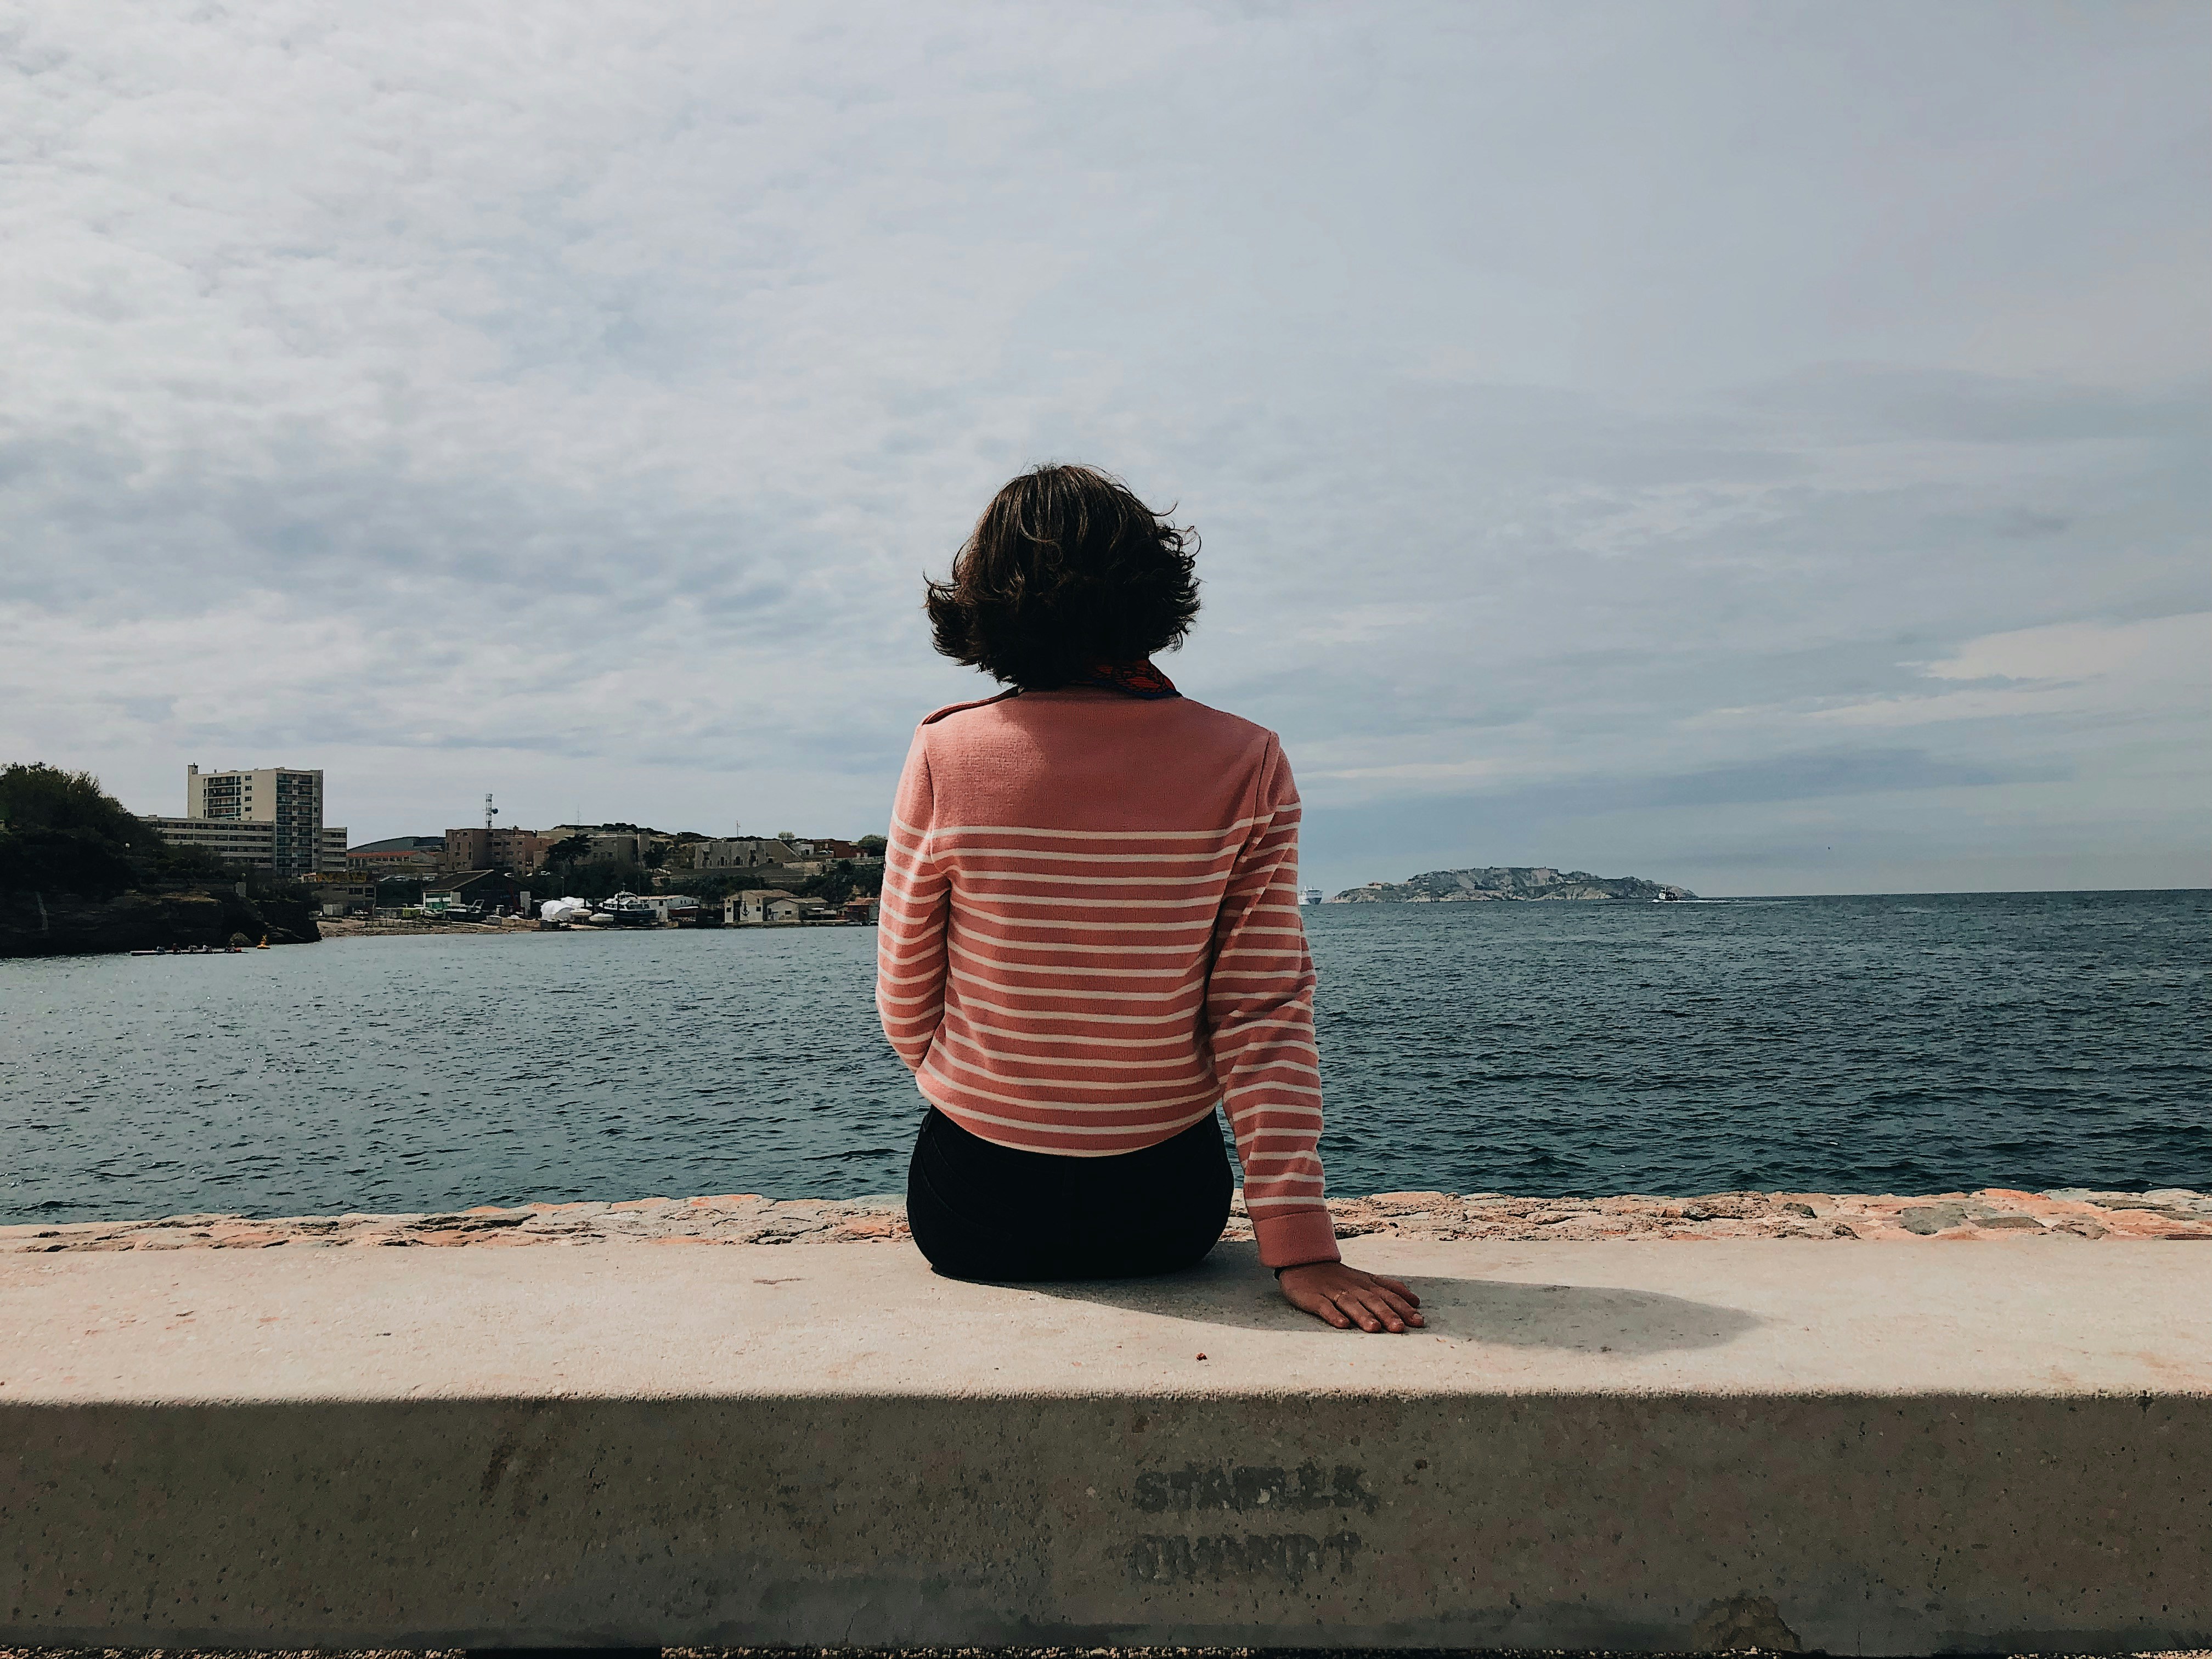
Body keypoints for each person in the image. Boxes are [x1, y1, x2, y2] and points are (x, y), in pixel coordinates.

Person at [876, 464, 1423, 1334]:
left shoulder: (947, 752)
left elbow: (906, 1000)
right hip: (1165, 1213)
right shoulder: (1245, 758)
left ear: (985, 599)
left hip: (975, 1211)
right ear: (1154, 584)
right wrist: (1301, 1243)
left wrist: (999, 1093)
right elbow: (1263, 1009)